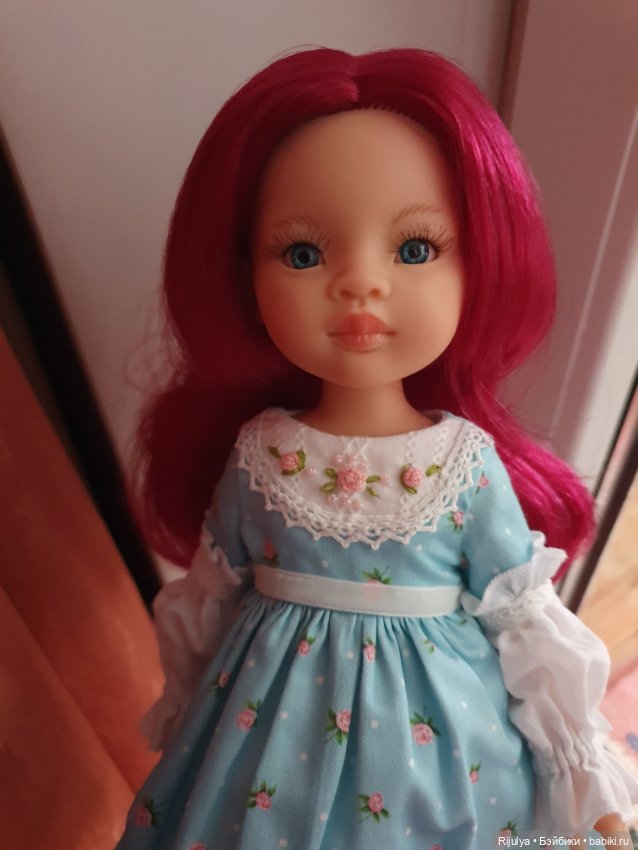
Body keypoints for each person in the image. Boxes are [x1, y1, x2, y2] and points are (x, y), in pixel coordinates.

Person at [116, 48, 637, 849]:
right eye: (302, 254)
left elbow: (521, 617)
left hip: (440, 751)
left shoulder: (462, 463)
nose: (360, 283)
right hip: (261, 743)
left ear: (480, 265)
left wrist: (580, 768)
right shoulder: (259, 455)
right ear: (244, 276)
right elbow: (210, 600)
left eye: (415, 249)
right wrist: (189, 711)